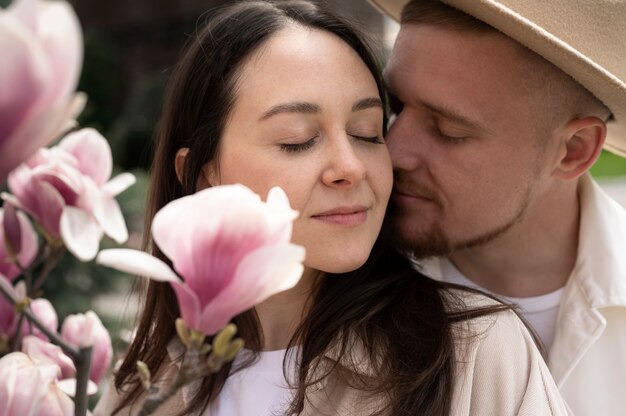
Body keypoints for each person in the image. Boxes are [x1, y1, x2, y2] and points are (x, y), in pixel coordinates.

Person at [95, 1, 570, 415]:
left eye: (367, 133)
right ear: (203, 175)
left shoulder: (477, 354)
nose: (350, 167)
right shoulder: (143, 387)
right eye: (297, 141)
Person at [367, 0, 626, 414]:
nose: (394, 151)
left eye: (449, 130)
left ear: (573, 151)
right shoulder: (329, 287)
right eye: (394, 106)